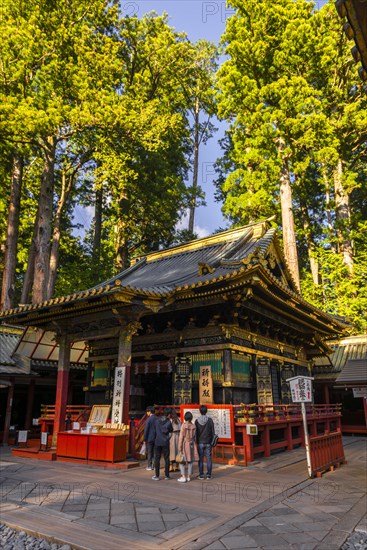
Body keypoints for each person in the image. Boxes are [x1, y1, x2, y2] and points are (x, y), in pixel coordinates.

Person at [152, 407, 173, 480]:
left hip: (157, 441)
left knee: (157, 458)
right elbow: (171, 430)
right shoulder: (169, 422)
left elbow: (154, 430)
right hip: (165, 441)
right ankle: (167, 475)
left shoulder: (157, 421)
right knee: (166, 458)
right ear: (169, 414)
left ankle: (157, 475)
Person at [195, 404, 215, 480]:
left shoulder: (197, 421)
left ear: (200, 411)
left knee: (200, 459)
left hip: (200, 442)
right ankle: (209, 475)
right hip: (208, 442)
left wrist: (196, 442)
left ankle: (201, 475)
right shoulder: (210, 420)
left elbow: (196, 433)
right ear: (206, 411)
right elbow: (213, 432)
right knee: (209, 458)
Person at [177, 411, 198, 483]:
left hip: (185, 444)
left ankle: (183, 477)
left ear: (185, 418)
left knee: (182, 461)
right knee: (190, 461)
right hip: (192, 444)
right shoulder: (194, 426)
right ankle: (189, 476)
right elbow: (195, 437)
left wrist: (179, 448)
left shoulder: (183, 425)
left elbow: (181, 438)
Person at [143, 406, 157, 471]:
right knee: (155, 452)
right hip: (156, 438)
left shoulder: (148, 419)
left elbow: (146, 430)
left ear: (149, 412)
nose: (147, 413)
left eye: (147, 412)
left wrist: (144, 439)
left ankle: (149, 466)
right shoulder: (157, 418)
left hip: (149, 438)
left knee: (149, 452)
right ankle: (154, 466)